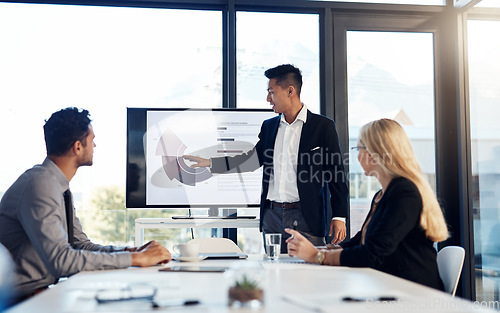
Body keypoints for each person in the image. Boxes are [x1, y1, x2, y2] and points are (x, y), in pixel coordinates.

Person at [0, 107, 172, 302]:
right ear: (78, 147)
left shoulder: (56, 185)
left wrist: (129, 252)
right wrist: (136, 260)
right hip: (19, 301)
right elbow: (61, 261)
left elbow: (79, 245)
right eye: (92, 140)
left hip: (38, 294)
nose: (95, 145)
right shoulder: (40, 184)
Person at [184, 64, 348, 252]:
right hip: (272, 215)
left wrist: (339, 216)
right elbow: (252, 160)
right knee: (274, 272)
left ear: (290, 91)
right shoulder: (269, 127)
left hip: (307, 217)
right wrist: (212, 163)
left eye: (271, 92)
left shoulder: (323, 127)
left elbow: (336, 175)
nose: (268, 99)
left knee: (308, 275)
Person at [286, 118, 449, 290]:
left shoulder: (404, 194)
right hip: (390, 285)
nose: (356, 155)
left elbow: (372, 253)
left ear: (374, 154)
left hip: (412, 292)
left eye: (358, 149)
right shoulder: (383, 194)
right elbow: (360, 241)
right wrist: (319, 249)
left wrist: (318, 256)